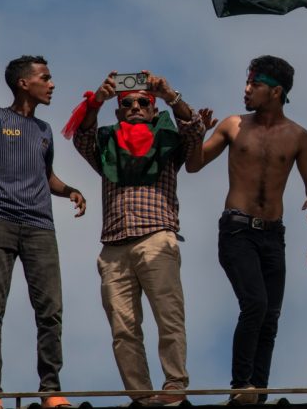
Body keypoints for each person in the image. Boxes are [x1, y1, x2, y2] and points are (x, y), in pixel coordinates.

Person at [68, 71, 205, 406]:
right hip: (114, 245)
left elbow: (195, 129)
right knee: (123, 329)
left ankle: (174, 386)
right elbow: (81, 136)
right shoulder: (107, 144)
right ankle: (141, 396)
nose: (134, 106)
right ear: (118, 112)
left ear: (153, 110)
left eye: (143, 102)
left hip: (156, 237)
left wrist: (169, 93)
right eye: (126, 103)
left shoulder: (167, 140)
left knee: (168, 317)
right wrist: (97, 99)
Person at [191, 56, 307, 403]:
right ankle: (240, 386)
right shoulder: (233, 126)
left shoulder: (299, 136)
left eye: (255, 84)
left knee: (271, 316)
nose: (246, 90)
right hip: (237, 230)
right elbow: (194, 165)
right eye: (247, 82)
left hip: (273, 235)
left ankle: (257, 392)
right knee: (256, 303)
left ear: (276, 91)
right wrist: (196, 134)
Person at [0, 56, 85, 409]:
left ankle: (51, 390)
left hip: (40, 226)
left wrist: (69, 190)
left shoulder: (44, 130)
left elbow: (48, 177)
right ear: (23, 83)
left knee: (50, 310)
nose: (52, 84)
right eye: (45, 77)